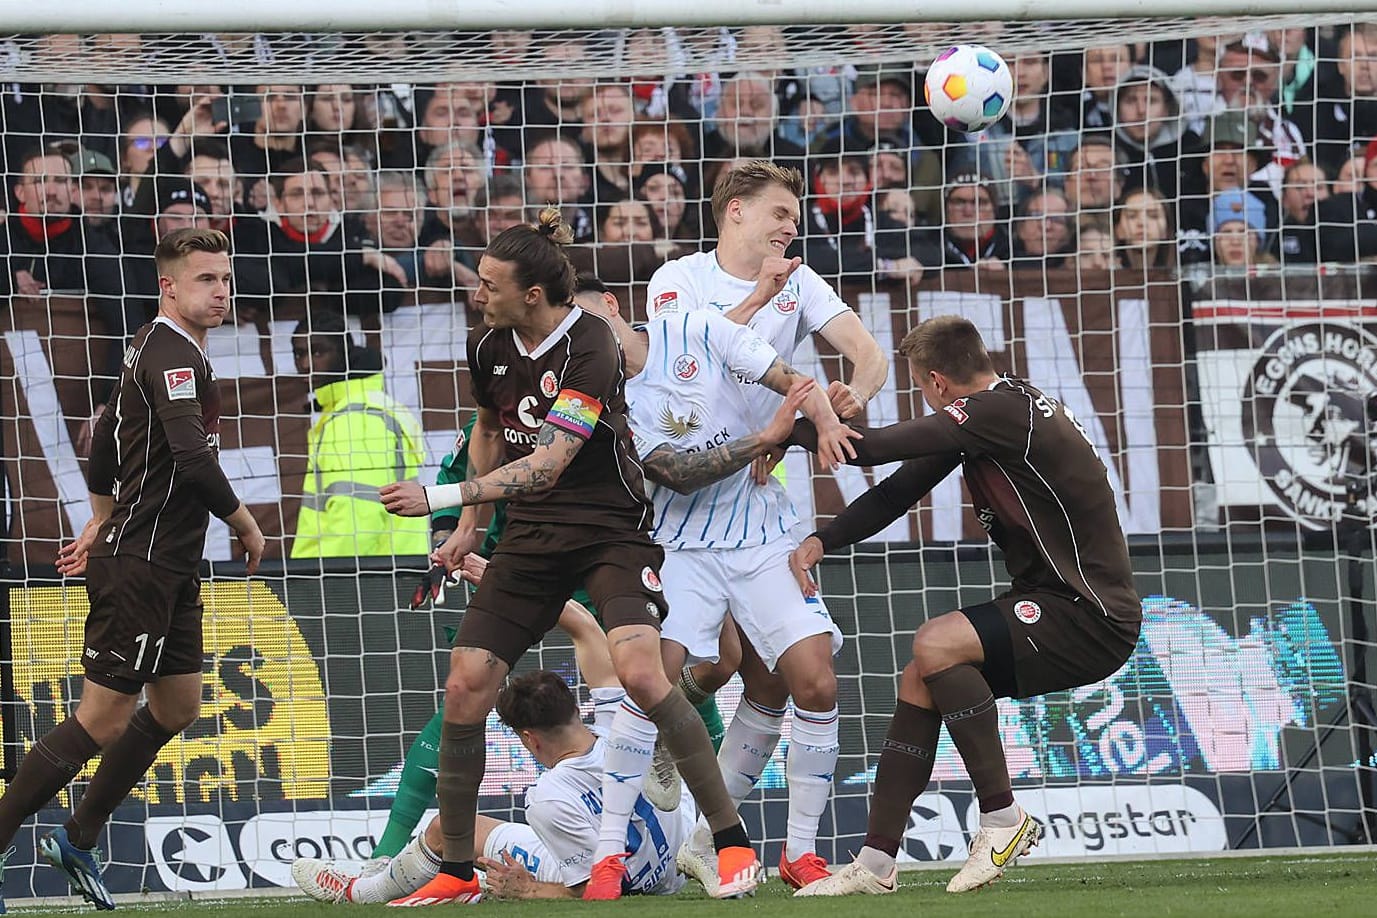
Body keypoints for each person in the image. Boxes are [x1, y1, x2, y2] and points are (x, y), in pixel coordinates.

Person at [376, 209, 760, 904]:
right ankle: (456, 868)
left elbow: (550, 462)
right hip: (530, 536)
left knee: (642, 673)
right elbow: (491, 427)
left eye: (490, 283)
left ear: (532, 294)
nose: (476, 291)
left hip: (609, 528)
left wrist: (440, 495)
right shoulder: (489, 344)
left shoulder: (591, 343)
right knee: (464, 687)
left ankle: (731, 842)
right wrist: (468, 524)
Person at [786, 315, 1141, 896]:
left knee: (936, 640)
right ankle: (875, 863)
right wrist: (824, 540)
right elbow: (896, 491)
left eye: (923, 390)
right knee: (921, 675)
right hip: (1056, 603)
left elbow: (868, 449)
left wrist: (786, 429)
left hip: (1089, 613)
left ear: (937, 383)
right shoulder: (997, 415)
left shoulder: (997, 414)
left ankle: (1002, 819)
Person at [0, 228, 266, 910]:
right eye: (206, 280)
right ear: (168, 286)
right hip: (142, 563)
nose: (221, 292)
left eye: (226, 280)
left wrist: (96, 517)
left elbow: (100, 449)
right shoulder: (172, 354)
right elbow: (192, 459)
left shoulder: (152, 351)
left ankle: (78, 837)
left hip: (167, 562)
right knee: (103, 718)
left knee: (178, 706)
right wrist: (243, 519)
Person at [642, 160, 888, 887]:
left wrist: (846, 399)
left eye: (795, 215)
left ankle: (797, 849)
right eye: (780, 213)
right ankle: (635, 803)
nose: (791, 226)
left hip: (764, 510)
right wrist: (756, 302)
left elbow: (868, 357)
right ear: (736, 212)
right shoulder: (676, 279)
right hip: (685, 504)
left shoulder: (801, 281)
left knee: (804, 680)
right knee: (679, 676)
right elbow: (682, 356)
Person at [575, 272, 856, 891]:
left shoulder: (698, 326)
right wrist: (767, 436)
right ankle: (607, 855)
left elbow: (790, 379)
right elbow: (674, 472)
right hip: (677, 548)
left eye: (586, 318)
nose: (582, 336)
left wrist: (826, 419)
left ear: (613, 307)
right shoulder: (598, 395)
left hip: (762, 534)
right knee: (647, 685)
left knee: (814, 679)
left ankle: (800, 852)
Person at [293, 670, 693, 903]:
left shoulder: (548, 797)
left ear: (528, 739)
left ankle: (356, 894)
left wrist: (530, 889)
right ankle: (470, 885)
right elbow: (587, 630)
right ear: (576, 708)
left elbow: (597, 890)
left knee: (444, 832)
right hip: (672, 863)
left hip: (632, 880)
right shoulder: (622, 729)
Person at [289, 310, 430, 559]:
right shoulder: (358, 407)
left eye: (318, 351)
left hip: (363, 581)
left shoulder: (356, 417)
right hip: (385, 572)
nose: (306, 364)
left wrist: (328, 587)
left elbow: (357, 520)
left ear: (345, 354)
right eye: (299, 353)